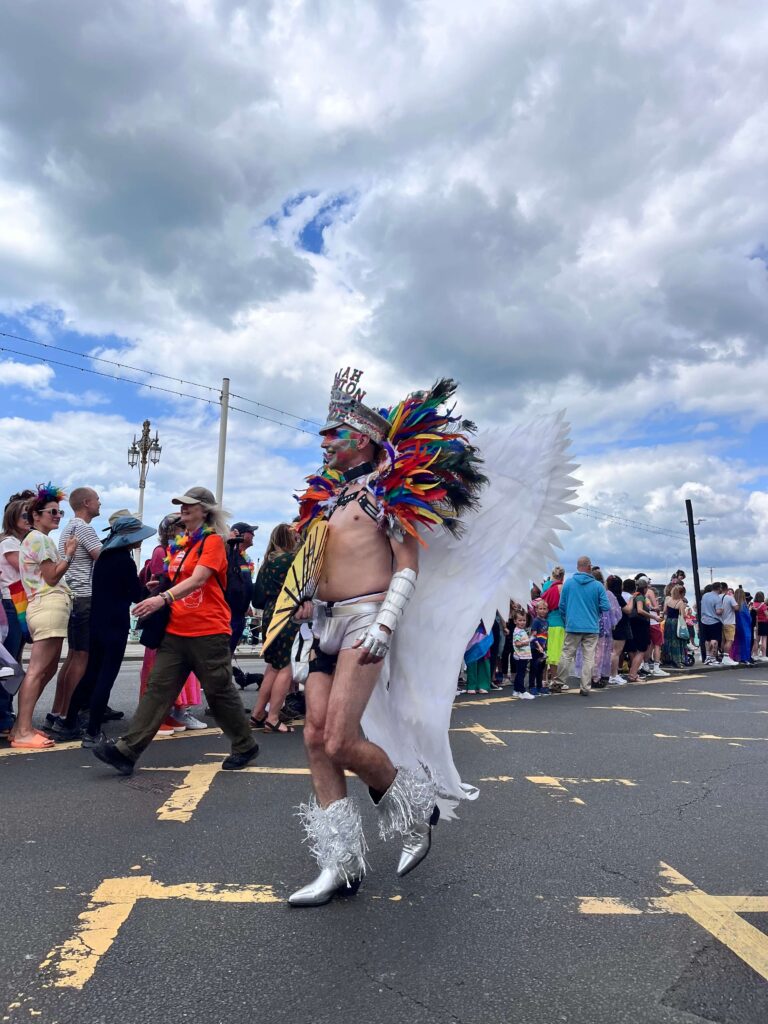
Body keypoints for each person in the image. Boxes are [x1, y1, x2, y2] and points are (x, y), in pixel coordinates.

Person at [92, 486, 259, 775]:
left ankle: (245, 745)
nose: (182, 508)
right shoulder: (181, 545)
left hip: (208, 631)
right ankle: (127, 752)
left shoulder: (213, 542)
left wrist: (162, 598)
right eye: (181, 505)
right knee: (158, 690)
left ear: (205, 510)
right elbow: (179, 579)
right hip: (176, 630)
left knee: (219, 691)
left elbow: (199, 579)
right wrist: (162, 587)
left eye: (189, 505)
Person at [56, 516, 155, 746]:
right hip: (115, 624)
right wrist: (149, 592)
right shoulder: (125, 561)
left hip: (97, 621)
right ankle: (92, 732)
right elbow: (133, 595)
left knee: (90, 673)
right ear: (129, 538)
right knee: (106, 677)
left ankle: (70, 722)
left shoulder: (104, 557)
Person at [10, 485, 77, 748]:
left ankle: (21, 727)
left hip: (46, 606)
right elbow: (52, 577)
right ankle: (23, 730)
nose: (58, 516)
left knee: (46, 669)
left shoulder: (36, 539)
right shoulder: (39, 539)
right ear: (35, 515)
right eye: (52, 511)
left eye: (60, 512)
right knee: (38, 670)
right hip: (48, 605)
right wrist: (69, 554)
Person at [139, 513, 206, 734]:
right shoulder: (162, 551)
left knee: (175, 667)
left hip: (176, 611)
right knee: (156, 666)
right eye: (179, 526)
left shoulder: (181, 549)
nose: (183, 529)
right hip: (163, 613)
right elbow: (165, 582)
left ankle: (171, 711)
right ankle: (155, 716)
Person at [49, 487, 102, 727]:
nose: (100, 504)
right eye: (98, 500)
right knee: (82, 657)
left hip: (72, 597)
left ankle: (57, 712)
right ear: (87, 503)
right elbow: (102, 557)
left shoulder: (67, 528)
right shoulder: (84, 527)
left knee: (72, 657)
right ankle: (67, 715)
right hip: (85, 597)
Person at [249, 523, 301, 732]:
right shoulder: (292, 560)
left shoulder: (267, 563)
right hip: (287, 612)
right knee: (286, 667)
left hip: (270, 613)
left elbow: (258, 599)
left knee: (272, 666)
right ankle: (273, 717)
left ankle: (257, 713)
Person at [552, 555, 610, 696]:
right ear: (589, 567)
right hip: (591, 626)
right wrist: (594, 611)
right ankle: (585, 686)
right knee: (588, 657)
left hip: (572, 625)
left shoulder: (569, 584)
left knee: (566, 655)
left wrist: (568, 619)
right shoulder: (598, 586)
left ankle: (559, 682)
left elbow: (562, 606)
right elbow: (605, 606)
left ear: (578, 567)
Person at [0, 493, 33, 732]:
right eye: (25, 515)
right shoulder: (10, 543)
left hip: (18, 604)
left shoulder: (20, 542)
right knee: (8, 663)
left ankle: (5, 711)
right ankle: (3, 715)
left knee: (13, 659)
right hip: (11, 604)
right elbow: (26, 569)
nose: (29, 518)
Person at [227, 521, 258, 652]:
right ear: (242, 535)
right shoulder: (229, 555)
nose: (254, 535)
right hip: (230, 615)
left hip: (240, 615)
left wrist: (247, 606)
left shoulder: (242, 558)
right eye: (251, 532)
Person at [626, 578, 654, 682]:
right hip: (641, 625)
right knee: (642, 651)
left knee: (633, 650)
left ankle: (633, 673)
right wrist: (653, 617)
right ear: (645, 588)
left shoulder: (632, 596)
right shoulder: (640, 597)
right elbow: (640, 610)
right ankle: (633, 674)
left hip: (632, 624)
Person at [541, 566, 565, 685]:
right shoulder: (561, 588)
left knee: (545, 651)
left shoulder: (546, 586)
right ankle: (554, 679)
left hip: (545, 622)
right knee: (555, 653)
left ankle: (543, 679)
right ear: (563, 576)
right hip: (558, 622)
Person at [607, 575, 631, 685]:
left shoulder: (607, 595)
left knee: (610, 651)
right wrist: (632, 599)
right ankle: (613, 675)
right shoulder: (617, 596)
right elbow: (628, 610)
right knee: (616, 651)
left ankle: (609, 673)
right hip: (620, 625)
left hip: (610, 625)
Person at [662, 585, 688, 669]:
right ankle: (677, 660)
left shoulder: (667, 599)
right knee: (677, 641)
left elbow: (665, 611)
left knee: (668, 640)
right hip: (676, 622)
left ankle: (667, 659)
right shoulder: (680, 602)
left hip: (668, 621)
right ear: (681, 593)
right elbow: (683, 615)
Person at [528, 600, 550, 695]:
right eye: (540, 609)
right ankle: (532, 686)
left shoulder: (546, 622)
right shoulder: (536, 621)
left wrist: (546, 646)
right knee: (534, 667)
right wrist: (538, 646)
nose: (542, 611)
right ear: (536, 610)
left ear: (547, 610)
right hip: (535, 648)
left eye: (544, 609)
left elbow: (545, 635)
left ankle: (539, 686)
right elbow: (533, 636)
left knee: (541, 668)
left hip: (543, 648)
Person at [700, 583, 723, 665]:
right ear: (718, 588)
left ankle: (707, 657)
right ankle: (713, 658)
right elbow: (718, 611)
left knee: (707, 640)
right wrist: (722, 610)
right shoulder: (717, 598)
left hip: (704, 620)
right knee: (714, 640)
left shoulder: (705, 595)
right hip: (714, 621)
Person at [731, 588, 753, 665]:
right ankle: (745, 658)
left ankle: (734, 657)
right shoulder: (744, 605)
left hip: (736, 625)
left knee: (735, 642)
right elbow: (748, 618)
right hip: (745, 626)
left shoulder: (734, 604)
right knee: (745, 642)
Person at [718, 584, 739, 666]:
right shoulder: (729, 598)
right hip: (729, 622)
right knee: (730, 640)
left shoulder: (717, 597)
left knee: (723, 640)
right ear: (726, 589)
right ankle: (726, 657)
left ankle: (723, 656)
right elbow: (736, 608)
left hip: (720, 622)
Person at [752, 591, 768, 660]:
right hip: (763, 623)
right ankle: (763, 655)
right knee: (764, 639)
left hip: (756, 623)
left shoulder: (753, 604)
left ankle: (755, 654)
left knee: (756, 640)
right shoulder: (763, 605)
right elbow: (767, 615)